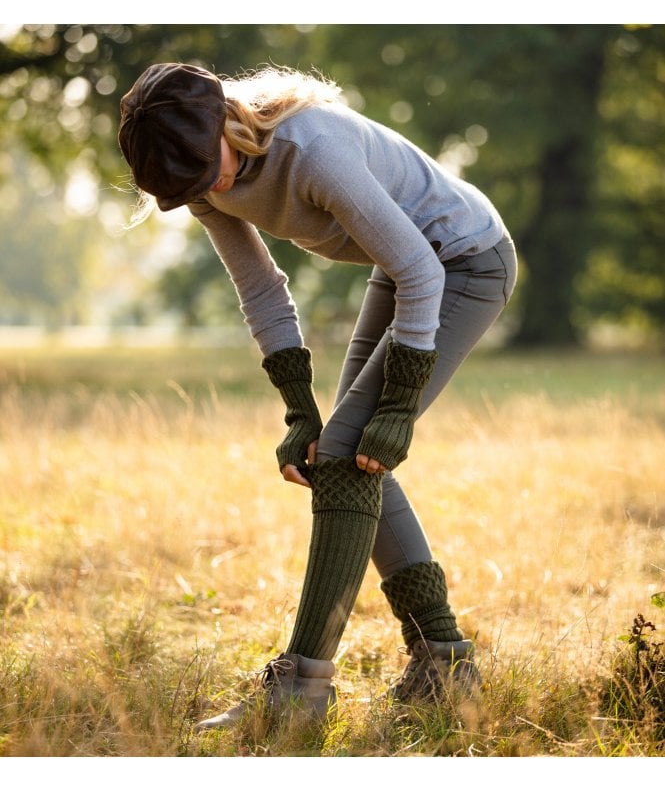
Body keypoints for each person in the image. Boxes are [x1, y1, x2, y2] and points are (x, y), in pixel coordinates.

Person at [118, 61, 518, 732]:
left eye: (204, 170)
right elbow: (262, 290)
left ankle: (300, 689)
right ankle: (444, 666)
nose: (208, 188)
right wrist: (297, 406)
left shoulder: (311, 149)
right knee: (347, 455)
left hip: (461, 261)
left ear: (223, 122)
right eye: (188, 185)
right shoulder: (198, 174)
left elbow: (421, 267)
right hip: (399, 265)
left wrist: (398, 405)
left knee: (348, 454)